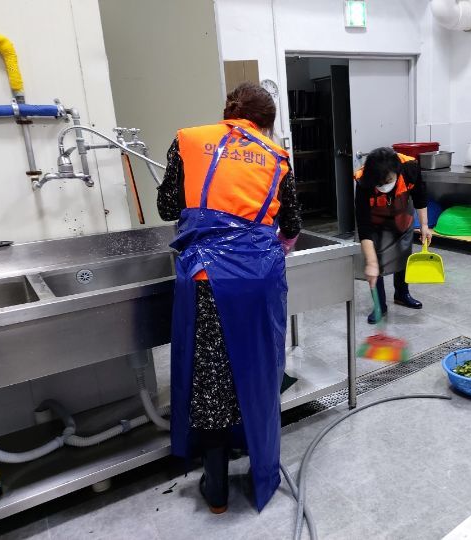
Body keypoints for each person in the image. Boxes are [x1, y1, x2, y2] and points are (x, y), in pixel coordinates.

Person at [157, 83, 301, 514]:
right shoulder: (277, 156)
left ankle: (216, 488)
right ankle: (260, 471)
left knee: (211, 380)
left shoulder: (188, 140)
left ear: (228, 113)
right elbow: (292, 223)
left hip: (207, 278)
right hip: (259, 281)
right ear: (266, 123)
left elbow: (167, 207)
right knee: (259, 372)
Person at [355, 147, 434, 324]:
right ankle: (379, 305)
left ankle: (402, 294)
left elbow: (420, 196)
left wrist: (424, 225)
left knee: (404, 253)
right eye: (380, 183)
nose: (384, 185)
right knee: (376, 262)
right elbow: (364, 226)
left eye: (388, 180)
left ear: (397, 171)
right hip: (375, 222)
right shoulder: (363, 182)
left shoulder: (410, 168)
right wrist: (371, 263)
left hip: (401, 216)